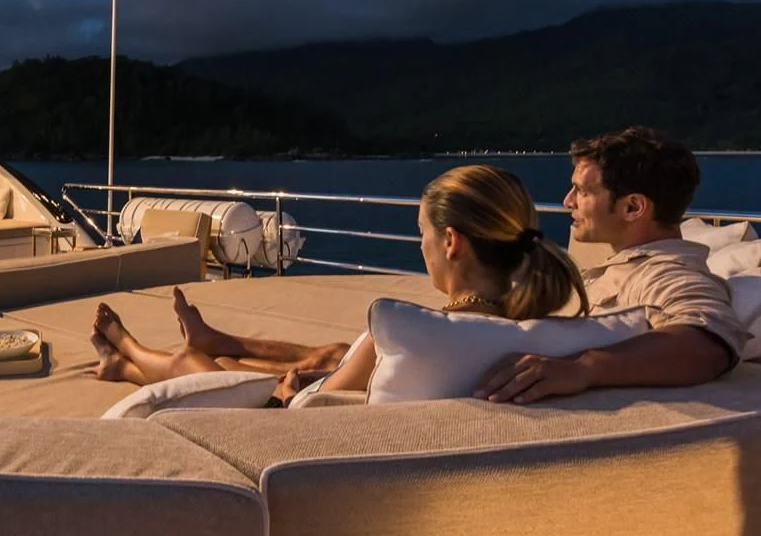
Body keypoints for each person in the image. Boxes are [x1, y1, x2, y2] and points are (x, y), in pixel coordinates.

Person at [92, 164, 588, 405]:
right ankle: (133, 359)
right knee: (296, 355)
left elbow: (314, 411)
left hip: (285, 435)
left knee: (204, 369)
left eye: (422, 234)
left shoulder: (408, 336)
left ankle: (128, 348)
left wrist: (295, 390)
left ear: (452, 241)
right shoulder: (536, 337)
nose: (421, 246)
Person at [474, 126, 747, 404]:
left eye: (581, 191)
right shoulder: (628, 266)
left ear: (632, 207)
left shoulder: (666, 272)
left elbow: (707, 342)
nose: (567, 201)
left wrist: (584, 368)